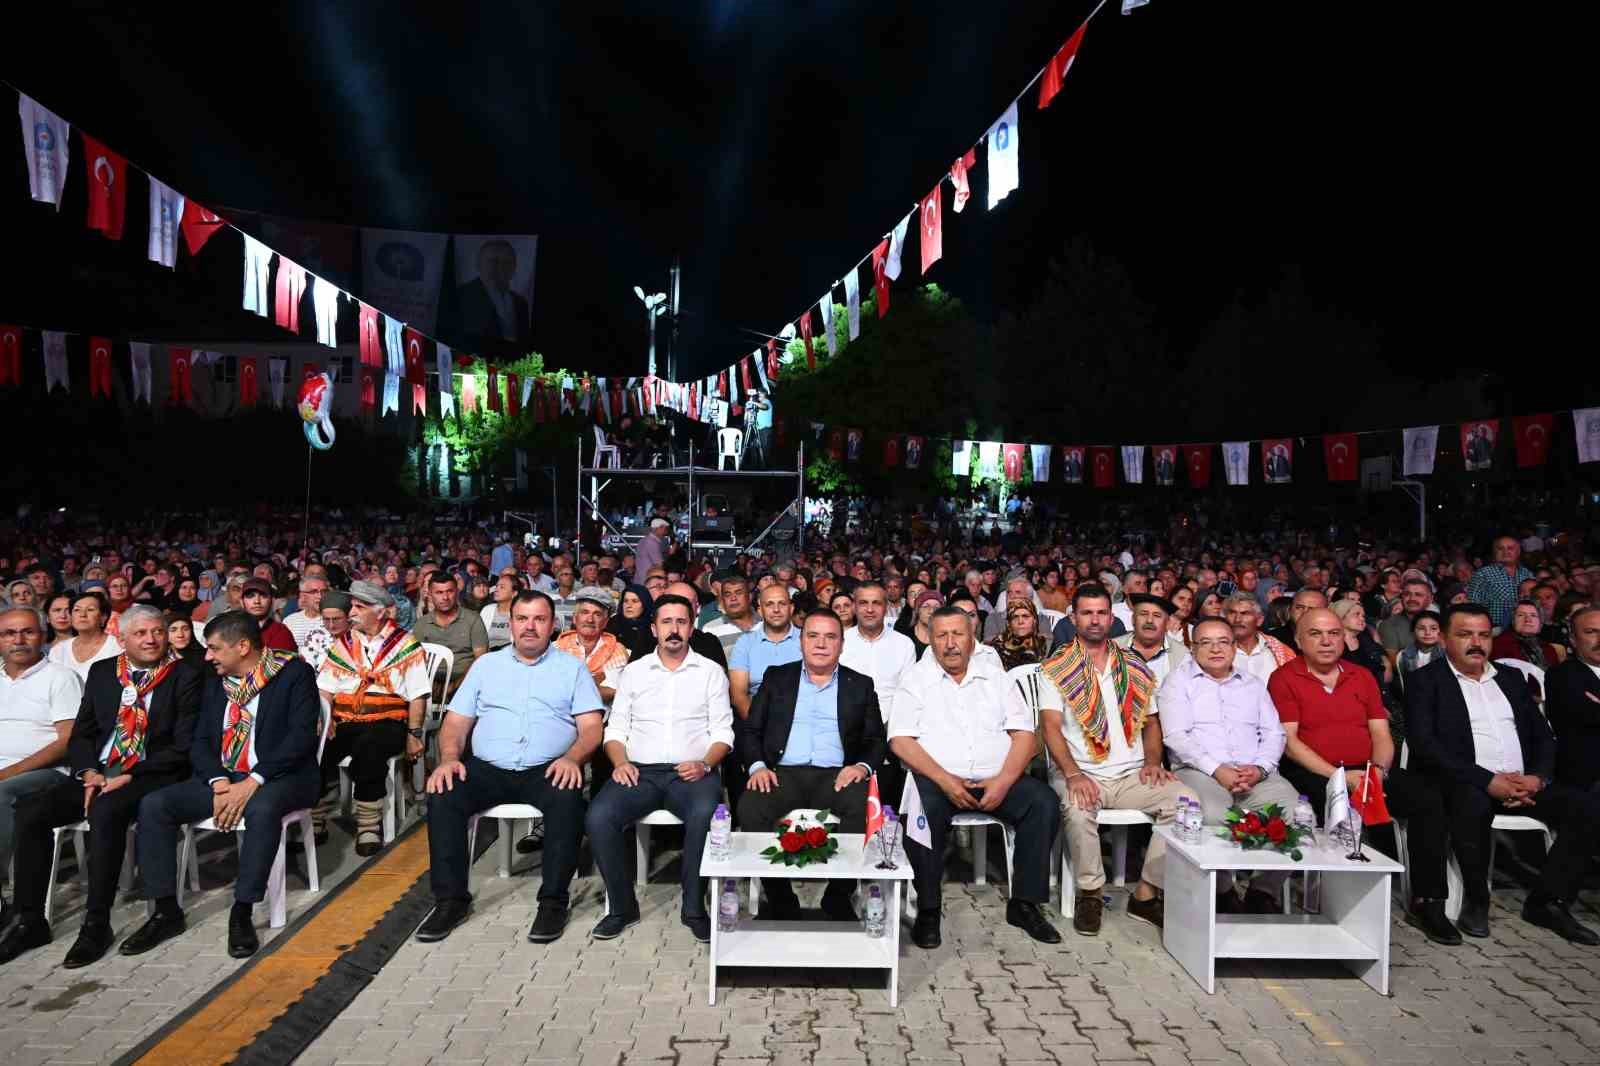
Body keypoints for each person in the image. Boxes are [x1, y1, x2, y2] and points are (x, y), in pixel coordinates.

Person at [0, 605, 202, 967]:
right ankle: (29, 920)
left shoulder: (185, 674)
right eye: (140, 634)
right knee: (31, 811)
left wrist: (130, 774)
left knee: (106, 810)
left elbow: (183, 746)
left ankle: (96, 922)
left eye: (157, 631)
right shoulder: (105, 672)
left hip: (151, 772)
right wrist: (88, 771)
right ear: (122, 640)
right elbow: (83, 734)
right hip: (100, 772)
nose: (151, 639)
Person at [123, 611, 322, 960]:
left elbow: (301, 738)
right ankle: (165, 911)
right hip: (226, 777)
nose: (207, 656)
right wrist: (217, 781)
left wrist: (254, 781)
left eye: (214, 648)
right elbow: (199, 740)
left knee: (262, 808)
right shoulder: (216, 680)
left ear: (243, 646)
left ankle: (242, 910)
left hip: (282, 776)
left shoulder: (294, 673)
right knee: (156, 804)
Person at [1405, 604, 1600, 944]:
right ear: (1445, 640)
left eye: (1483, 634)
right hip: (1466, 783)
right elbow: (1426, 746)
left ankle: (1548, 902)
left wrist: (1537, 778)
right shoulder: (1427, 681)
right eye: (1465, 635)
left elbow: (1543, 736)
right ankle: (1476, 899)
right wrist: (1487, 780)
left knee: (1586, 808)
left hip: (1523, 783)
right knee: (1471, 801)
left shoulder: (1510, 679)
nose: (1476, 642)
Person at [417, 591, 603, 945]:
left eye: (539, 619)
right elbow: (455, 723)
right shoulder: (486, 666)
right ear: (511, 624)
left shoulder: (572, 669)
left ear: (553, 625)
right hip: (488, 768)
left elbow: (592, 728)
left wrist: (572, 758)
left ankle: (553, 902)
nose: (529, 627)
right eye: (522, 618)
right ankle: (451, 900)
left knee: (567, 802)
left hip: (548, 768)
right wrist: (449, 759)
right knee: (444, 795)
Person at [1267, 607, 1460, 945]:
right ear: (1298, 640)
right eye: (1316, 634)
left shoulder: (1361, 676)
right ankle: (1328, 902)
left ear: (1345, 638)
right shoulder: (1284, 678)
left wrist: (1377, 771)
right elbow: (1291, 743)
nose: (1326, 641)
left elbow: (1381, 733)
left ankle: (1428, 902)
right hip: (1315, 772)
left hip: (1369, 770)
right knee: (1318, 802)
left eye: (1334, 633)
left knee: (1428, 799)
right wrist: (1339, 778)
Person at [890, 606, 1061, 949]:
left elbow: (1025, 734)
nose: (950, 643)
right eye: (942, 635)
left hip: (995, 779)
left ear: (972, 639)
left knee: (1043, 802)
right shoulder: (915, 679)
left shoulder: (995, 677)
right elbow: (900, 740)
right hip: (938, 781)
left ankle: (1024, 904)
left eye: (958, 635)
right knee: (921, 810)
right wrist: (945, 780)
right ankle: (927, 909)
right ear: (930, 639)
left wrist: (1003, 781)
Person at [1038, 585, 1193, 935]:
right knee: (1078, 810)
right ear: (1073, 617)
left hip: (1130, 776)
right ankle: (1090, 893)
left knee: (1186, 803)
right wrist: (1074, 774)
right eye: (1087, 613)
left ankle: (1146, 893)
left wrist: (1153, 761)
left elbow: (1152, 722)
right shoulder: (1056, 668)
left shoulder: (1134, 665)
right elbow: (1050, 728)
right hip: (1080, 771)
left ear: (1112, 617)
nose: (1095, 620)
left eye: (1101, 613)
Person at [588, 594, 732, 942]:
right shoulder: (634, 673)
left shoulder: (711, 672)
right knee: (598, 816)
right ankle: (622, 907)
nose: (674, 630)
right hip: (639, 771)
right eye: (666, 622)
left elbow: (724, 732)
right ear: (654, 629)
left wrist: (704, 763)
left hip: (692, 772)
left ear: (691, 627)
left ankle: (694, 909)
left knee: (705, 813)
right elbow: (616, 729)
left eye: (681, 622)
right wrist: (619, 763)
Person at [737, 610, 884, 921]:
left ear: (842, 645)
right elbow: (750, 731)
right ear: (801, 642)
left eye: (830, 637)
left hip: (837, 775)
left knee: (861, 805)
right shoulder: (777, 678)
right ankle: (779, 896)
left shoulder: (860, 684)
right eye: (813, 636)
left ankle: (838, 895)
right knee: (751, 806)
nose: (821, 644)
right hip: (781, 773)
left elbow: (875, 740)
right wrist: (758, 767)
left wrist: (861, 767)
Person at [1157, 617, 1296, 912]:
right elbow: (1176, 737)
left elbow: (1274, 732)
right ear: (1192, 649)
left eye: (1223, 642)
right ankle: (1221, 890)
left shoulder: (1253, 685)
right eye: (1205, 643)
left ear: (1234, 647)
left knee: (1290, 810)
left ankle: (1263, 891)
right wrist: (1217, 770)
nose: (1215, 649)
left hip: (1254, 772)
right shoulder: (1178, 682)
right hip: (1199, 771)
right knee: (1211, 813)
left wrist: (1259, 768)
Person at [314, 582, 430, 855]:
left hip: (387, 722)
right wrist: (323, 719)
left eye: (359, 607)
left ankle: (367, 825)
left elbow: (418, 695)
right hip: (345, 720)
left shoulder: (405, 644)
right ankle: (314, 815)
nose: (351, 612)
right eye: (352, 605)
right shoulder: (344, 644)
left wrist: (414, 736)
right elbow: (325, 688)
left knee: (370, 746)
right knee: (311, 746)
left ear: (380, 613)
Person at [0, 607, 84, 929]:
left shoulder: (60, 678)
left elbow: (66, 742)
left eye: (27, 632)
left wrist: (9, 772)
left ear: (42, 636)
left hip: (49, 775)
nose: (18, 640)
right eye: (9, 633)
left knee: (2, 792)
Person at [1544, 605, 1600, 792]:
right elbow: (1590, 717)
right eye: (1591, 632)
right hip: (1589, 775)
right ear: (1573, 641)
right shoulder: (1562, 675)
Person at [729, 583, 801, 719]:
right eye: (769, 604)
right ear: (760, 611)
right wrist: (758, 727)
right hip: (758, 721)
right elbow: (738, 696)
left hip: (800, 720)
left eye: (782, 604)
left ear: (791, 608)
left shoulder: (806, 640)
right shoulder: (745, 643)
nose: (776, 610)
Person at [412, 571, 489, 698]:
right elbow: (415, 661)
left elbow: (481, 660)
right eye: (439, 593)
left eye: (450, 591)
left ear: (457, 592)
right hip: (430, 680)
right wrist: (430, 685)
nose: (445, 597)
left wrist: (453, 686)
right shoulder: (422, 624)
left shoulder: (473, 619)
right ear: (430, 595)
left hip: (466, 679)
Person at [552, 587, 629, 705]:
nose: (590, 619)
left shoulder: (617, 651)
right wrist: (597, 678)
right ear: (574, 618)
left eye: (597, 614)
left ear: (605, 622)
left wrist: (570, 686)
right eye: (584, 612)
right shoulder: (556, 648)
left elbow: (612, 692)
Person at [625, 582, 729, 669]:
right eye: (672, 601)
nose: (679, 608)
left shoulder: (709, 643)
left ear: (697, 608)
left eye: (686, 602)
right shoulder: (647, 637)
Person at [456, 238, 529, 343]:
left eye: (507, 262)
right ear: (478, 264)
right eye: (493, 261)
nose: (500, 267)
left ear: (514, 266)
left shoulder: (521, 303)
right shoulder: (461, 296)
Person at [1111, 594, 1189, 684]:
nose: (1149, 620)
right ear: (1133, 619)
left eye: (1157, 615)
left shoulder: (1181, 655)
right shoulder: (1112, 648)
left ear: (1167, 623)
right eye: (1143, 614)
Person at [48, 590, 123, 683]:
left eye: (90, 609)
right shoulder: (58, 651)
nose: (82, 614)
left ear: (103, 617)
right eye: (77, 610)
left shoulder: (118, 647)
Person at [1464, 535, 1535, 631]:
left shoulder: (1528, 574)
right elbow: (1472, 605)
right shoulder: (1483, 574)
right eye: (1500, 548)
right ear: (1494, 552)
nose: (1506, 552)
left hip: (1524, 628)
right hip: (1493, 630)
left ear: (1518, 551)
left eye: (1510, 548)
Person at [1225, 592, 1295, 685]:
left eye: (1245, 613)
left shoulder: (1280, 651)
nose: (1237, 619)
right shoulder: (1216, 650)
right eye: (1232, 613)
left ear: (1259, 620)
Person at [1490, 601, 1563, 676]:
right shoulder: (1499, 645)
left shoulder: (1549, 649)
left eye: (1533, 615)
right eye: (1521, 615)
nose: (1528, 620)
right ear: (1512, 621)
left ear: (1540, 622)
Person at [1330, 598, 1388, 690]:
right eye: (1356, 615)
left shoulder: (1367, 641)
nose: (1362, 618)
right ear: (1340, 617)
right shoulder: (1331, 644)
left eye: (1363, 616)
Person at [701, 573, 758, 661]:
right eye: (727, 594)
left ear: (749, 597)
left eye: (738, 593)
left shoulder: (767, 625)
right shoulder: (710, 630)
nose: (733, 598)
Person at [988, 597, 1051, 671]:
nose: (1020, 621)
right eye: (1015, 617)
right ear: (1009, 623)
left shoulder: (1044, 643)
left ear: (1034, 620)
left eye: (1025, 616)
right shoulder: (998, 645)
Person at [239, 577, 297, 653]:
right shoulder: (232, 630)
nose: (257, 601)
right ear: (241, 602)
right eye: (250, 596)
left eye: (263, 596)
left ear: (272, 601)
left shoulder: (280, 631)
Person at [282, 575, 328, 650]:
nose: (320, 596)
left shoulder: (334, 620)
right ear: (302, 595)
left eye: (324, 591)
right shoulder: (290, 621)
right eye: (314, 592)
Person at [479, 572, 521, 650]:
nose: (496, 589)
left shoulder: (521, 613)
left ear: (514, 593)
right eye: (497, 586)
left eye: (502, 587)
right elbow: (479, 638)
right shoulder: (487, 610)